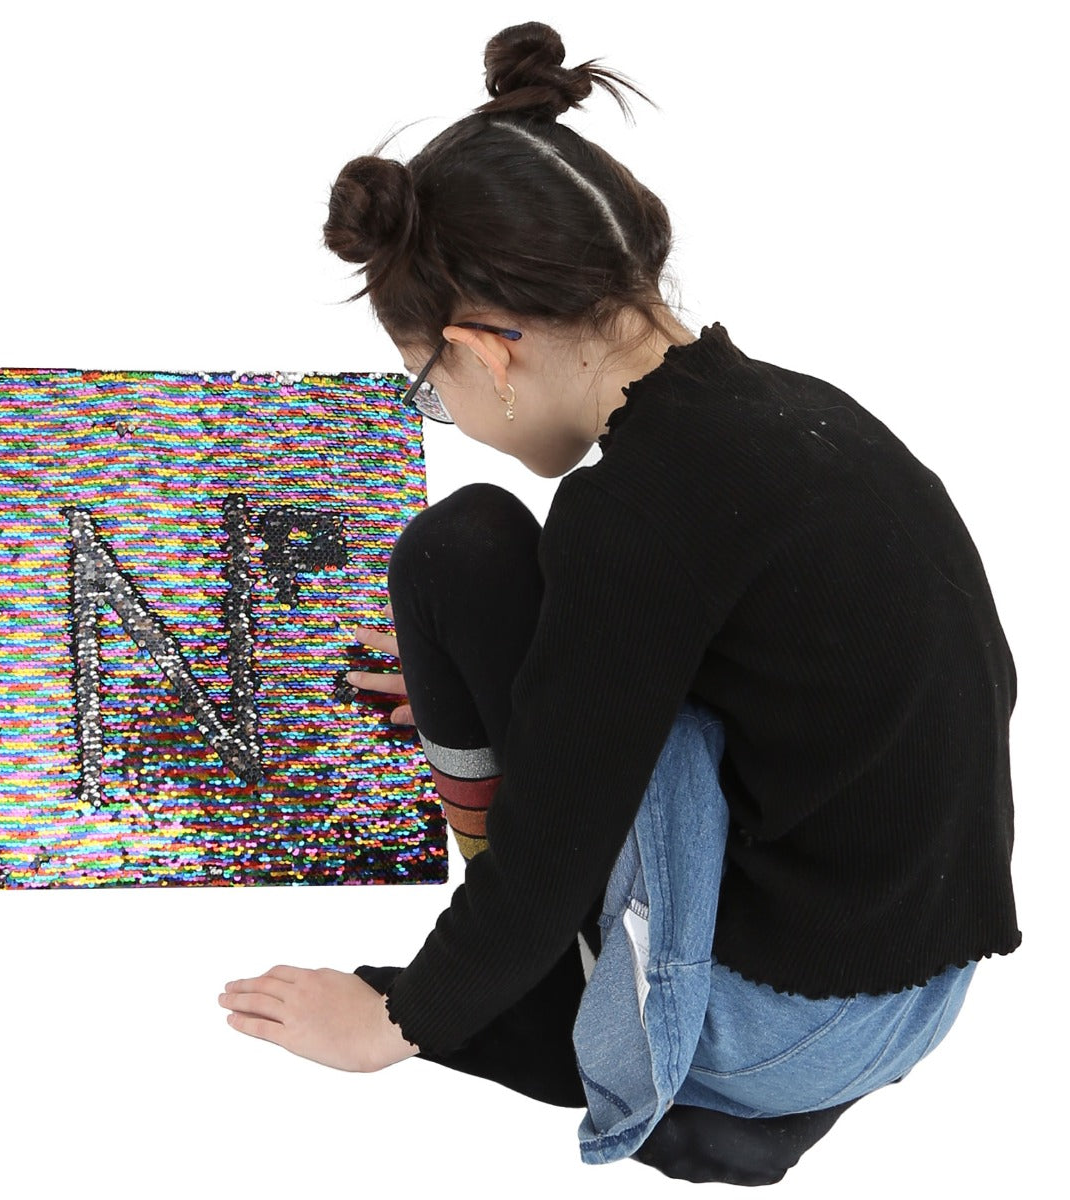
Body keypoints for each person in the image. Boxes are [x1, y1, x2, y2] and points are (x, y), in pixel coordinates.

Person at [217, 22, 1020, 1185]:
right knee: (528, 615)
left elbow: (550, 851)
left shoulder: (629, 512)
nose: (447, 408)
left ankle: (577, 1007)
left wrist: (402, 1022)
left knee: (460, 553)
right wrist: (535, 677)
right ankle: (629, 994)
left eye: (428, 387)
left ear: (485, 351)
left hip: (779, 1029)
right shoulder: (797, 415)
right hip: (924, 988)